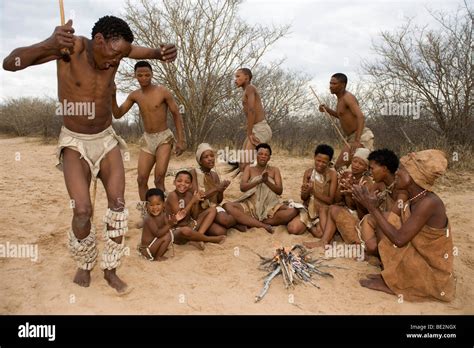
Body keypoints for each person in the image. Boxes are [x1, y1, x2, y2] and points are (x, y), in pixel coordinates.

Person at [3, 15, 177, 293]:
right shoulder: (69, 48)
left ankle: (110, 270)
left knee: (118, 208)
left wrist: (160, 52)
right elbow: (10, 63)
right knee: (82, 211)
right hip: (75, 141)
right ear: (99, 41)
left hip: (106, 139)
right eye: (114, 53)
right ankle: (84, 264)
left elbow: (144, 51)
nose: (116, 61)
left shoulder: (118, 52)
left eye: (122, 56)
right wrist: (48, 43)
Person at [353, 150, 455, 302]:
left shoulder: (429, 203)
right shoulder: (415, 198)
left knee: (389, 222)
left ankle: (396, 283)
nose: (397, 173)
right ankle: (392, 275)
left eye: (401, 170)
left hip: (433, 274)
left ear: (413, 177)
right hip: (419, 258)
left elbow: (399, 239)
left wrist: (372, 208)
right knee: (390, 220)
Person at [112, 60, 185, 210]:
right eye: (140, 75)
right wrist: (112, 95)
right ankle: (147, 213)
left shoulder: (163, 92)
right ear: (135, 76)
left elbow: (177, 114)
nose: (144, 78)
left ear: (152, 74)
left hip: (164, 137)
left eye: (147, 75)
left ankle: (166, 211)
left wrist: (181, 140)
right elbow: (118, 114)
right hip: (147, 139)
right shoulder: (135, 95)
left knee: (159, 177)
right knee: (141, 179)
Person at [303, 147, 372, 249]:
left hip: (357, 216)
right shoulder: (347, 175)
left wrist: (352, 193)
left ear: (366, 167)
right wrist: (341, 186)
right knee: (324, 208)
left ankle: (324, 240)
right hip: (345, 209)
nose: (356, 165)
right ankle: (326, 238)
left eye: (361, 164)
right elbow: (336, 200)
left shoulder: (367, 183)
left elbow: (364, 212)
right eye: (354, 161)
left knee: (332, 208)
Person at [223, 143, 298, 233]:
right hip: (251, 205)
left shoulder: (274, 170)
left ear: (269, 158)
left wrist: (267, 181)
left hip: (270, 206)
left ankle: (253, 222)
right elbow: (243, 188)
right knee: (227, 206)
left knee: (292, 211)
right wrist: (259, 181)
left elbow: (279, 191)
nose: (263, 156)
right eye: (260, 154)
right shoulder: (249, 169)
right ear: (256, 155)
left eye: (266, 155)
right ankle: (263, 225)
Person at [355, 149, 408, 255]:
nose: (370, 172)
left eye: (372, 168)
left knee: (377, 219)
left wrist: (371, 206)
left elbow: (392, 219)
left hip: (399, 232)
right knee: (368, 219)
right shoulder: (380, 184)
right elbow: (364, 213)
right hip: (386, 228)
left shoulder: (402, 189)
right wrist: (359, 199)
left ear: (384, 169)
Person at [319, 73, 374, 170]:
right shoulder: (340, 99)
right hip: (352, 138)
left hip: (360, 136)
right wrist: (327, 110)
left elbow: (360, 116)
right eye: (330, 83)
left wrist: (357, 141)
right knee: (345, 169)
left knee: (340, 167)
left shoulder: (347, 97)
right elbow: (342, 116)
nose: (330, 86)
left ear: (343, 85)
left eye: (334, 84)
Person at [190, 143, 246, 235]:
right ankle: (237, 222)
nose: (210, 159)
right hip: (200, 211)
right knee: (221, 231)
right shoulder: (194, 173)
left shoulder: (214, 175)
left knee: (225, 221)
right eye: (206, 157)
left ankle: (234, 222)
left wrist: (221, 191)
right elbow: (198, 197)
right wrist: (217, 188)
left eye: (212, 156)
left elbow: (218, 201)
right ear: (200, 161)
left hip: (213, 207)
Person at [287, 144, 337, 238]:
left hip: (323, 210)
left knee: (321, 234)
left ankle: (310, 225)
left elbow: (330, 200)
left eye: (324, 162)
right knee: (292, 229)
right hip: (309, 209)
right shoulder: (309, 173)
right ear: (314, 157)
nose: (320, 164)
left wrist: (313, 192)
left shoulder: (332, 175)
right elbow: (303, 197)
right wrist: (306, 191)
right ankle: (309, 223)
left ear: (329, 162)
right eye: (318, 160)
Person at [166, 170, 226, 249]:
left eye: (187, 182)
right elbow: (179, 216)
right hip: (176, 230)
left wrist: (196, 203)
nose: (182, 184)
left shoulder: (189, 194)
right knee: (185, 230)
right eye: (179, 181)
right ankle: (209, 239)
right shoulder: (172, 195)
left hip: (190, 225)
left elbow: (194, 216)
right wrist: (192, 201)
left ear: (190, 185)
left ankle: (197, 238)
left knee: (213, 210)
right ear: (174, 182)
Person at [234, 68, 272, 173]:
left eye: (238, 76)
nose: (235, 79)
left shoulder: (250, 88)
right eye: (235, 77)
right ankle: (253, 184)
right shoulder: (246, 91)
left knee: (246, 163)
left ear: (246, 78)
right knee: (242, 165)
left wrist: (249, 132)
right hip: (256, 128)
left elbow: (252, 110)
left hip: (260, 128)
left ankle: (259, 183)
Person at [138, 188, 178, 261]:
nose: (155, 208)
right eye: (151, 205)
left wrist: (172, 221)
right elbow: (158, 234)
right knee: (167, 236)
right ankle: (158, 257)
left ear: (163, 204)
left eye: (158, 204)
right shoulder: (148, 219)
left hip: (154, 244)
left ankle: (158, 253)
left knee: (169, 233)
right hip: (147, 250)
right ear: (146, 206)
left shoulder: (163, 214)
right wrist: (170, 225)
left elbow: (167, 225)